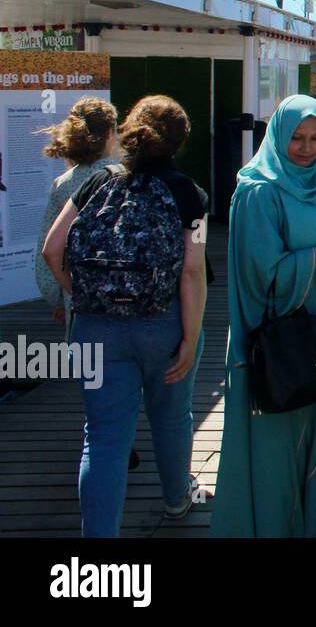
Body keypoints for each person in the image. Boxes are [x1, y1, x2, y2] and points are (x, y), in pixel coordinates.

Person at [41, 95, 208, 537]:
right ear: (180, 141)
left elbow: (52, 249)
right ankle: (176, 499)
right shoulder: (192, 196)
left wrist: (85, 294)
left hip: (96, 329)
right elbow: (192, 271)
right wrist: (189, 338)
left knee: (103, 439)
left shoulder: (95, 183)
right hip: (163, 324)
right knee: (172, 416)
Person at [210, 96, 316, 537]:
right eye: (296, 139)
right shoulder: (258, 192)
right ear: (277, 137)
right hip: (279, 346)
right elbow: (260, 278)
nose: (305, 148)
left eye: (315, 138)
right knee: (278, 456)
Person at [36, 97, 119, 326]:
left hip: (79, 298)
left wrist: (62, 297)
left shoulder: (63, 185)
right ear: (110, 133)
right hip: (127, 296)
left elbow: (47, 253)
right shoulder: (127, 177)